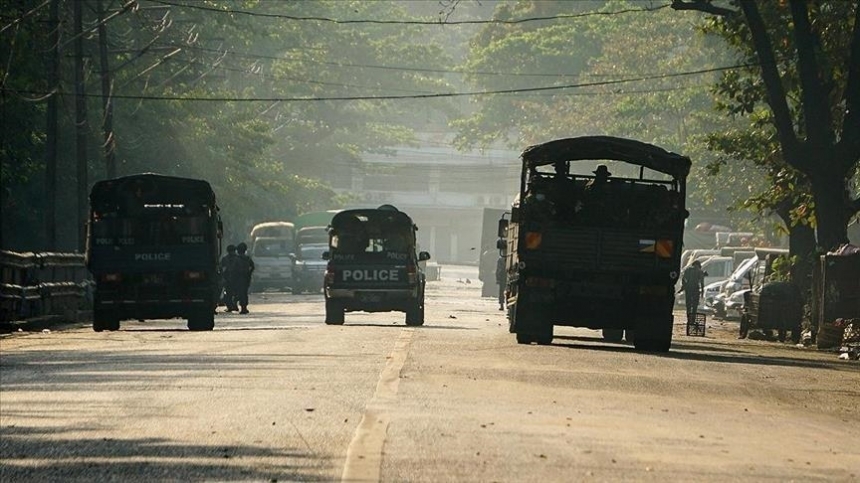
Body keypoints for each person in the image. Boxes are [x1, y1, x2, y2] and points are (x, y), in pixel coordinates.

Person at [681, 259, 706, 324]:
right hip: (695, 290)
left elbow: (683, 279)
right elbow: (702, 283)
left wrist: (683, 287)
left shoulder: (687, 270)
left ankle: (688, 319)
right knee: (695, 305)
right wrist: (702, 292)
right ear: (698, 265)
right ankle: (693, 320)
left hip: (688, 289)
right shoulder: (700, 271)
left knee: (688, 305)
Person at [234, 242, 255, 314]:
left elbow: (234, 269)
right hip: (246, 277)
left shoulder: (236, 259)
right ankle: (244, 307)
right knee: (244, 292)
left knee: (240, 292)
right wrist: (249, 273)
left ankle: (242, 307)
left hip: (239, 278)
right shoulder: (247, 258)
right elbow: (252, 267)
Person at [219, 244, 239, 312]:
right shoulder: (227, 258)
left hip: (234, 278)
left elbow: (221, 268)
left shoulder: (228, 258)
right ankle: (231, 306)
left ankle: (233, 305)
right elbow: (221, 267)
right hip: (230, 278)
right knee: (229, 293)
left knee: (234, 293)